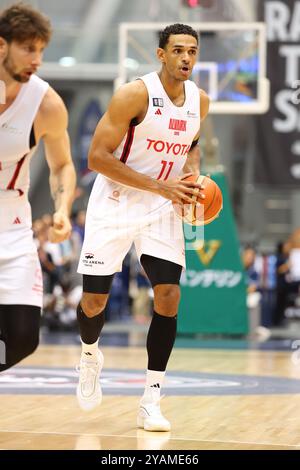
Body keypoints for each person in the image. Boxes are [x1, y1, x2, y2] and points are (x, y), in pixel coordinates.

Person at [76, 23, 209, 431]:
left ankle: (151, 399)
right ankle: (89, 354)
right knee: (94, 302)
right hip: (115, 200)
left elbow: (191, 148)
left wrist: (193, 181)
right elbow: (97, 157)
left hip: (163, 205)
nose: (186, 58)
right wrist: (160, 186)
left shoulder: (200, 102)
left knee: (168, 295)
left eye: (192, 51)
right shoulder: (134, 94)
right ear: (161, 54)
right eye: (178, 51)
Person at [0, 4, 76, 371]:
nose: (37, 59)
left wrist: (61, 211)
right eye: (28, 49)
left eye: (42, 50)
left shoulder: (46, 103)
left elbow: (62, 165)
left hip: (13, 232)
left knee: (23, 338)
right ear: (2, 46)